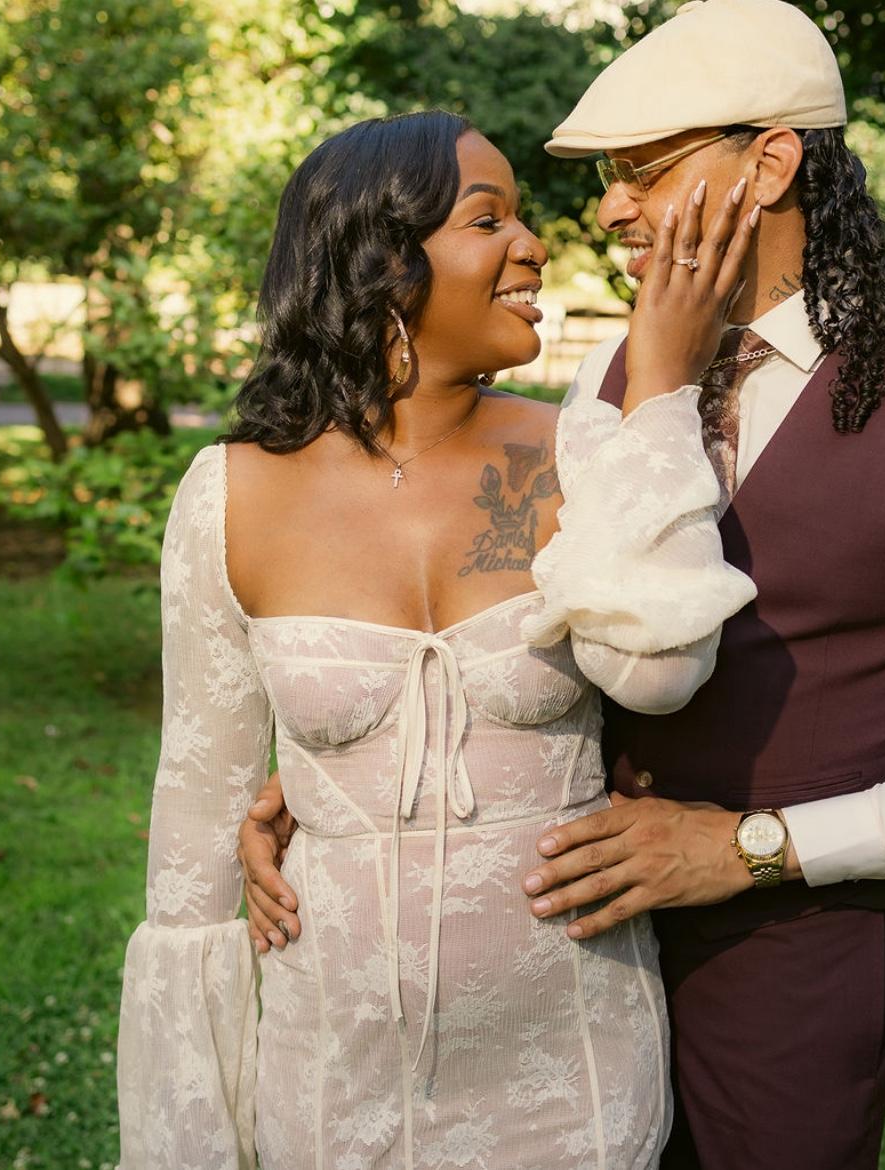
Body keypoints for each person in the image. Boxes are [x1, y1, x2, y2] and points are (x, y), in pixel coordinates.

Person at [239, 2, 885, 1167]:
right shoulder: (605, 373)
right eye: (609, 180)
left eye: (644, 172)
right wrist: (364, 766)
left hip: (786, 968)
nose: (608, 211)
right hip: (564, 961)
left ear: (771, 164)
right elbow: (543, 616)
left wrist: (748, 846)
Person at [115, 110, 763, 1168]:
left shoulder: (580, 452)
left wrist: (659, 388)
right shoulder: (230, 496)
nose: (535, 244)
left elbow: (660, 670)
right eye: (488, 219)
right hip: (333, 1081)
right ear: (382, 263)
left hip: (573, 1071)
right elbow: (193, 840)